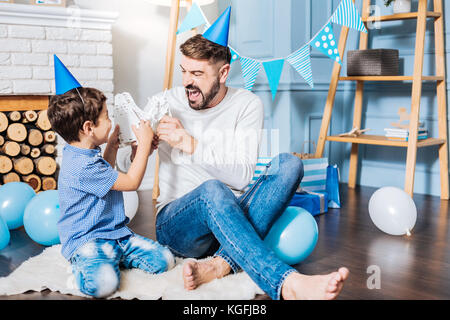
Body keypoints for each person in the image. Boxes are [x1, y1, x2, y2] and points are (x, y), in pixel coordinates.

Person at [121, 34, 349, 300]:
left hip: (229, 218)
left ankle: (221, 263)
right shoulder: (166, 102)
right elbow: (126, 168)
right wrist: (142, 149)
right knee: (212, 190)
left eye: (197, 73)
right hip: (178, 226)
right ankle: (285, 283)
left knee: (289, 164)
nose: (186, 82)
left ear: (223, 72)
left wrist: (190, 143)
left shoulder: (247, 105)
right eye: (183, 71)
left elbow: (241, 178)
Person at [47, 86, 175, 298]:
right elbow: (132, 182)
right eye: (106, 116)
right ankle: (81, 268)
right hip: (87, 239)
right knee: (104, 285)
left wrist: (113, 147)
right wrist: (143, 146)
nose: (111, 120)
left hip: (115, 235)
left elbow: (102, 175)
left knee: (165, 261)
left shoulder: (81, 152)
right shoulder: (82, 166)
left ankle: (113, 256)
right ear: (88, 128)